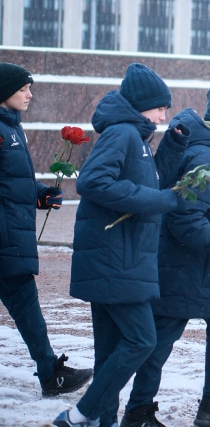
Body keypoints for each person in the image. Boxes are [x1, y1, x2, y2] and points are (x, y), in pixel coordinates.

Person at [56, 63, 189, 427]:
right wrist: (161, 201)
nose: (164, 114)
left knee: (111, 349)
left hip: (118, 256)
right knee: (142, 340)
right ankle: (81, 414)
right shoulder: (123, 134)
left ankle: (103, 420)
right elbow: (93, 182)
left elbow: (145, 179)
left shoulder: (135, 137)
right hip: (116, 258)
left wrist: (174, 145)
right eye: (161, 107)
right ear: (142, 104)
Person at [122, 84, 210, 427]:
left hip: (197, 265)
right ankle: (144, 411)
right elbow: (185, 218)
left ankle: (209, 402)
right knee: (164, 337)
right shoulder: (204, 157)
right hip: (191, 264)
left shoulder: (207, 149)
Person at [0, 63, 92, 398]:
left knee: (27, 309)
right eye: (23, 88)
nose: (30, 94)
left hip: (12, 239)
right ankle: (50, 373)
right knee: (27, 309)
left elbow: (13, 182)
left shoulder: (11, 128)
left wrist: (39, 192)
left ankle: (50, 372)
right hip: (6, 239)